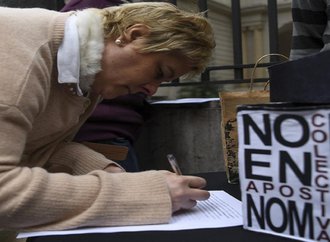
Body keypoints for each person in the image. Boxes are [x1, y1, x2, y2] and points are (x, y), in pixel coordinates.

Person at [0, 2, 215, 231]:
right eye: (159, 73)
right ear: (135, 35)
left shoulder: (87, 73)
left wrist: (108, 171)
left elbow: (39, 146)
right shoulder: (23, 55)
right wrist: (141, 194)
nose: (152, 90)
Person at [61, 0, 147, 172]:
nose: (151, 89)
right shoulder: (121, 11)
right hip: (109, 134)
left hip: (92, 133)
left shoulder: (85, 11)